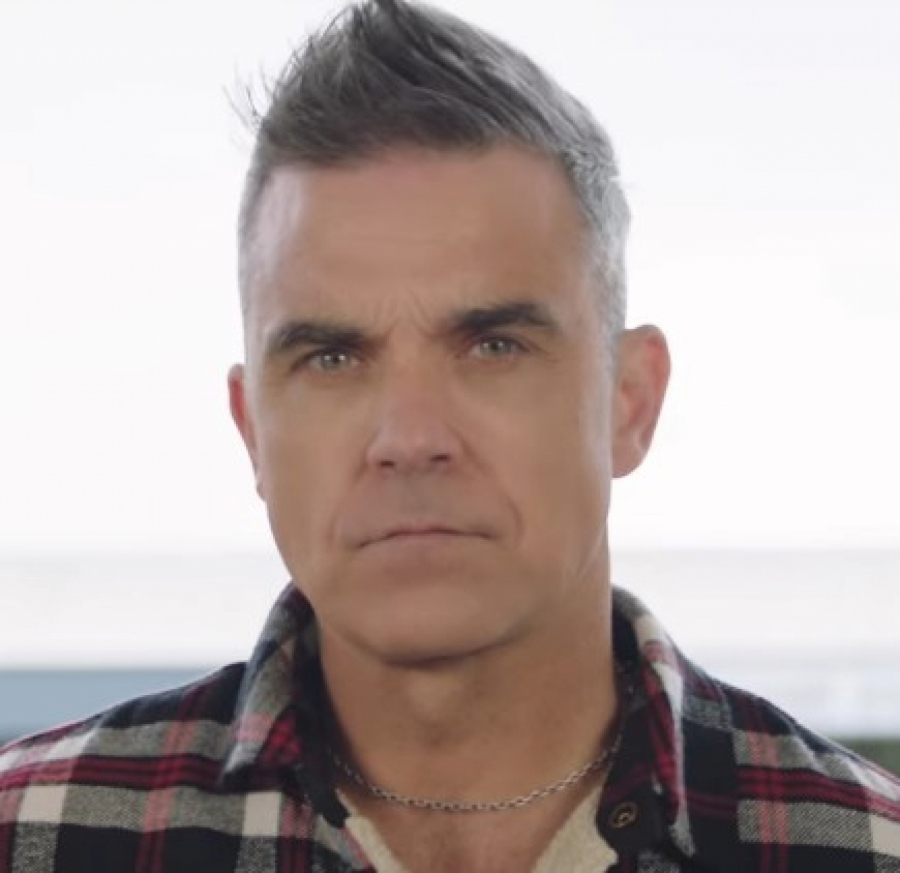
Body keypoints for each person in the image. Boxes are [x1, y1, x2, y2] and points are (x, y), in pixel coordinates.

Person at [1, 0, 898, 870]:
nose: (410, 437)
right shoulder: (31, 834)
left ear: (630, 400)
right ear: (253, 433)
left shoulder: (862, 848)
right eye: (331, 358)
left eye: (493, 345)